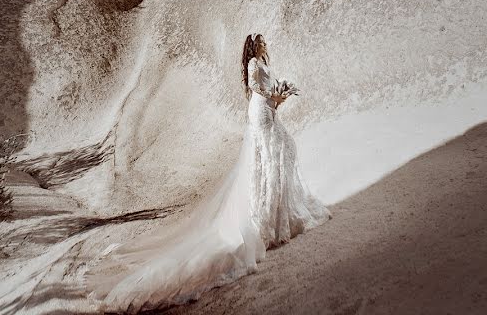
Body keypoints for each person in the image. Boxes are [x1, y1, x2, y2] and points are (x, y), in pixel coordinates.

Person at [85, 34, 330, 313]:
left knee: (280, 151)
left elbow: (268, 89)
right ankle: (266, 222)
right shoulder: (252, 63)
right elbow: (254, 88)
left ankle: (276, 217)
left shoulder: (263, 61)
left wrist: (280, 98)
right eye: (261, 40)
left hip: (270, 109)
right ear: (254, 45)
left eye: (264, 41)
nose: (265, 43)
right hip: (260, 111)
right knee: (269, 154)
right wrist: (273, 97)